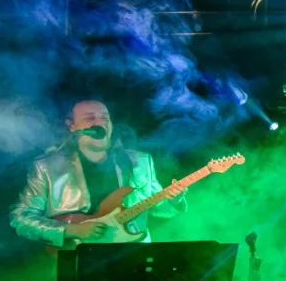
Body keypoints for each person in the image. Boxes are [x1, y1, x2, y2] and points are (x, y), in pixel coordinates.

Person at [10, 99, 187, 249]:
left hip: (133, 253)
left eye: (104, 117)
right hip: (76, 258)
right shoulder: (47, 166)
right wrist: (71, 230)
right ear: (72, 126)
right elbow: (21, 218)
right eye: (89, 118)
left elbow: (158, 209)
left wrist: (174, 200)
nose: (99, 123)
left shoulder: (139, 162)